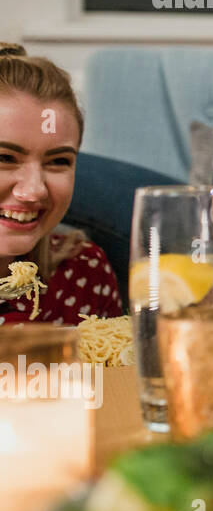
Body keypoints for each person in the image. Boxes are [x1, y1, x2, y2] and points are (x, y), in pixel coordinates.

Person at [0, 44, 122, 326]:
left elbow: (113, 369)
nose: (34, 191)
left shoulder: (84, 271)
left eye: (58, 161)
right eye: (5, 157)